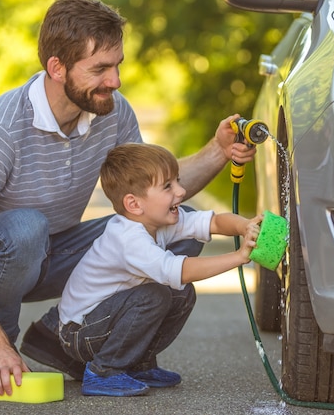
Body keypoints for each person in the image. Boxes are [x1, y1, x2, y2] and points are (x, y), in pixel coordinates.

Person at [0, 0, 256, 397]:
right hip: (4, 258)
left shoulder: (112, 112)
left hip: (62, 250)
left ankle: (71, 341)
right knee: (26, 228)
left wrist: (219, 150)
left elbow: (151, 194)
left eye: (117, 64)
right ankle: (1, 350)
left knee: (177, 219)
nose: (116, 80)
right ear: (57, 68)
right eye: (100, 69)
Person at [58, 143, 262, 397]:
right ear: (134, 204)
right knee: (155, 295)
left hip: (102, 321)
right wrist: (239, 256)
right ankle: (104, 371)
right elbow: (180, 270)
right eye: (168, 186)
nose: (181, 191)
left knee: (182, 293)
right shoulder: (128, 239)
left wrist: (246, 226)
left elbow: (213, 221)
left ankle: (137, 364)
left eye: (177, 181)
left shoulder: (157, 221)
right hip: (79, 333)